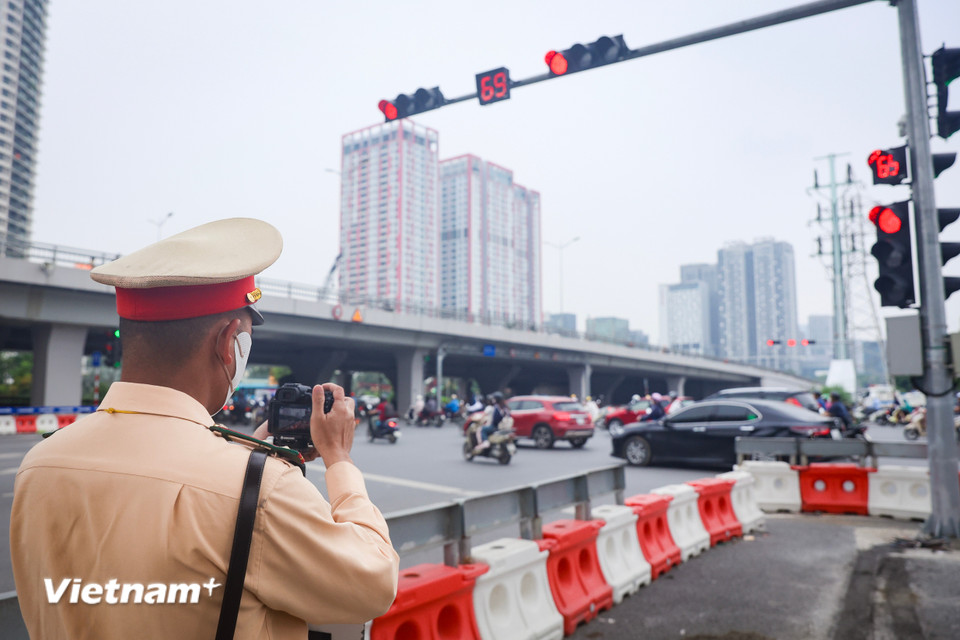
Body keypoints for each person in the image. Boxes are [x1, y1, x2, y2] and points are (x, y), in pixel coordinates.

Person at [10, 218, 399, 639]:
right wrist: (339, 460)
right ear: (228, 342)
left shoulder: (40, 465)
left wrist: (250, 444)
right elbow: (373, 583)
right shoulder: (259, 488)